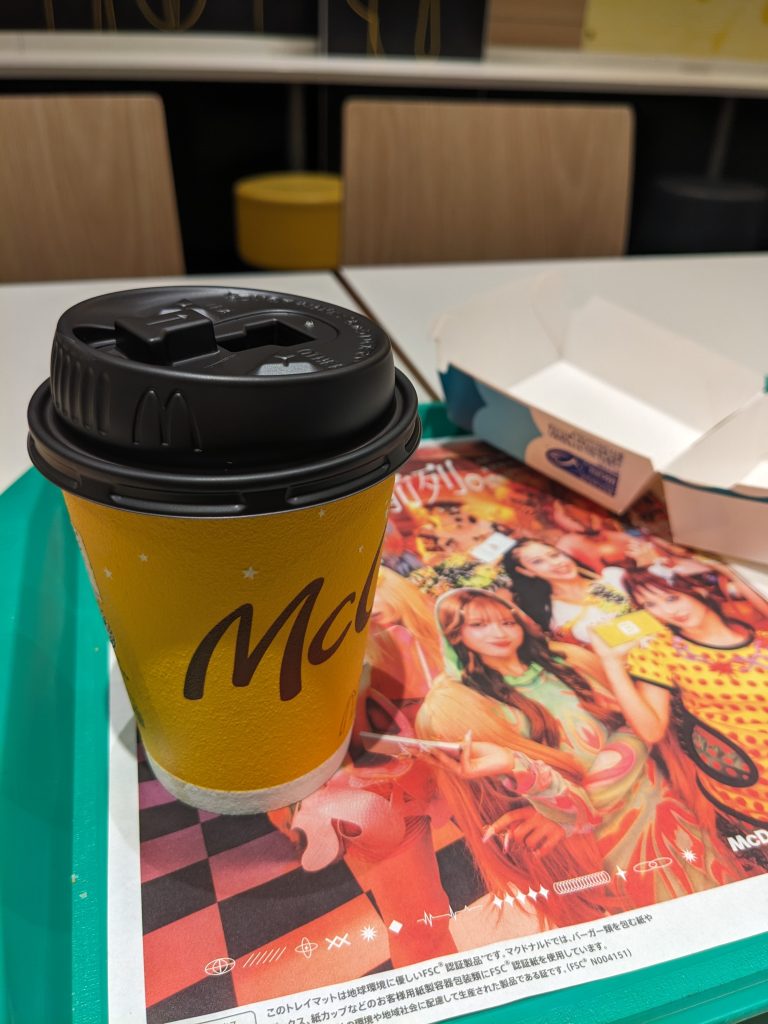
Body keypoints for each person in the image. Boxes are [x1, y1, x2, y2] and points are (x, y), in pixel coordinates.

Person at [417, 588, 736, 917]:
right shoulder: (467, 706)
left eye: (506, 622)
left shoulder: (570, 662)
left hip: (660, 803)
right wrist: (546, 790)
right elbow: (561, 800)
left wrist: (574, 805)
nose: (498, 632)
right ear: (455, 634)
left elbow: (641, 728)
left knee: (718, 892)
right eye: (479, 625)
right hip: (601, 839)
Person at [591, 570, 768, 840]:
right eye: (650, 605)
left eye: (672, 597)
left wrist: (724, 568)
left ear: (697, 588)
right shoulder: (660, 651)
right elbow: (651, 730)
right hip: (750, 784)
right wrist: (611, 663)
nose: (668, 611)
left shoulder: (750, 618)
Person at [504, 539, 630, 645]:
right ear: (525, 571)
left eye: (554, 555)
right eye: (538, 561)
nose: (556, 563)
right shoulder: (553, 615)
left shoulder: (613, 577)